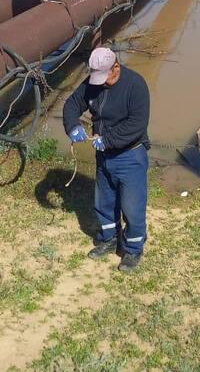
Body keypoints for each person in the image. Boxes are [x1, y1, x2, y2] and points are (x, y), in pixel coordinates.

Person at [62, 47, 150, 272]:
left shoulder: (136, 86)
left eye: (104, 78)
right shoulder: (93, 83)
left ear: (116, 68)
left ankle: (132, 250)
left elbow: (137, 124)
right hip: (104, 157)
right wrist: (72, 125)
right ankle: (109, 239)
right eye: (96, 78)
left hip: (130, 156)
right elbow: (72, 104)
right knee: (104, 202)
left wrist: (109, 140)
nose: (100, 84)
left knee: (132, 207)